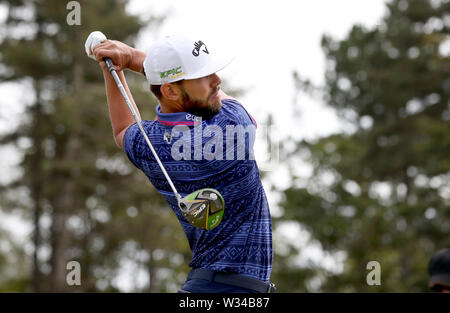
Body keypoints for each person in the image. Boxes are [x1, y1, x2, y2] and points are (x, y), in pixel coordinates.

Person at [87, 34, 275, 293]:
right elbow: (125, 129)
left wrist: (111, 70)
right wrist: (129, 57)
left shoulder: (150, 145)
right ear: (171, 90)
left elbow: (123, 130)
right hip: (237, 291)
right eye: (204, 76)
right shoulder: (232, 126)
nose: (217, 81)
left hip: (202, 288)